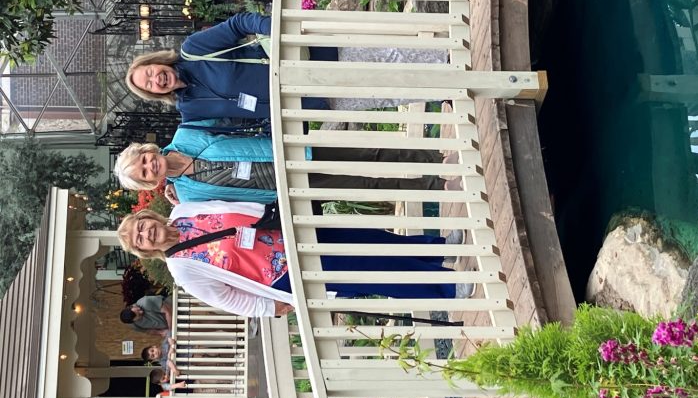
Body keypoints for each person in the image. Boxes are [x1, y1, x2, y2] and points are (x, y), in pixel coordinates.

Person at [116, 201, 474, 318]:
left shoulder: (182, 211)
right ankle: (444, 287)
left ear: (148, 217)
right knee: (369, 272)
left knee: (370, 239)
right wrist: (270, 308)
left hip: (288, 230)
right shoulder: (182, 268)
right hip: (287, 272)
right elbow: (226, 298)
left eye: (141, 226)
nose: (146, 233)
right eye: (140, 240)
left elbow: (228, 206)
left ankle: (436, 249)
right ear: (145, 250)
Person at [124, 12, 447, 123]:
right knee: (379, 96)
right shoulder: (190, 109)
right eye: (149, 84)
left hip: (305, 59)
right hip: (302, 99)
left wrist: (277, 33)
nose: (155, 79)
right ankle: (443, 89)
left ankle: (447, 62)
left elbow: (239, 24)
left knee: (385, 58)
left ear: (156, 61)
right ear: (154, 94)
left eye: (150, 72)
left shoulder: (193, 51)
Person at [113, 134, 450, 205]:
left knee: (366, 153)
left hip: (286, 151)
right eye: (145, 173)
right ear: (149, 183)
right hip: (283, 188)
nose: (149, 166)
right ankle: (431, 186)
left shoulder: (186, 135)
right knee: (361, 185)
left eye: (144, 160)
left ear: (146, 150)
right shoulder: (187, 195)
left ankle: (431, 158)